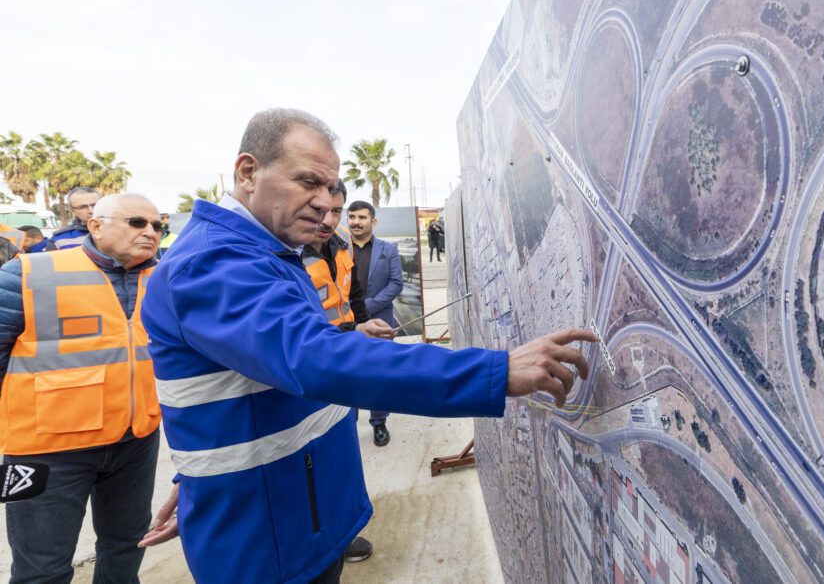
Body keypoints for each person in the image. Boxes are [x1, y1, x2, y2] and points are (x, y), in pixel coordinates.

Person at [138, 108, 594, 584]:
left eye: (329, 187)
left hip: (294, 516)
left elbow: (253, 375)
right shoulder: (214, 261)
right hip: (270, 543)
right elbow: (313, 360)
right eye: (307, 181)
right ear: (248, 171)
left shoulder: (264, 250)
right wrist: (493, 373)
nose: (323, 202)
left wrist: (198, 475)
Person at [0, 193, 164, 583]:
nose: (151, 232)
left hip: (135, 441)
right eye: (137, 223)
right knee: (42, 569)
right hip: (45, 450)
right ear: (96, 225)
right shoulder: (26, 273)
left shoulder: (166, 279)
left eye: (158, 226)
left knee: (127, 547)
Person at [304, 181, 378, 563]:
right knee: (314, 460)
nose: (329, 220)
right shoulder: (287, 256)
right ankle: (323, 540)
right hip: (312, 371)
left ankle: (343, 532)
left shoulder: (340, 246)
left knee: (344, 450)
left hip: (345, 361)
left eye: (337, 211)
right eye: (322, 211)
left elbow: (354, 296)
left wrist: (364, 333)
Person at [346, 200, 403, 447]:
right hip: (345, 323)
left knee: (379, 373)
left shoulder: (388, 250)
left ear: (373, 221)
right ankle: (348, 423)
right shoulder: (338, 249)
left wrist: (366, 308)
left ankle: (379, 422)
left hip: (379, 320)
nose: (356, 222)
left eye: (361, 217)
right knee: (348, 372)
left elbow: (395, 283)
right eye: (351, 217)